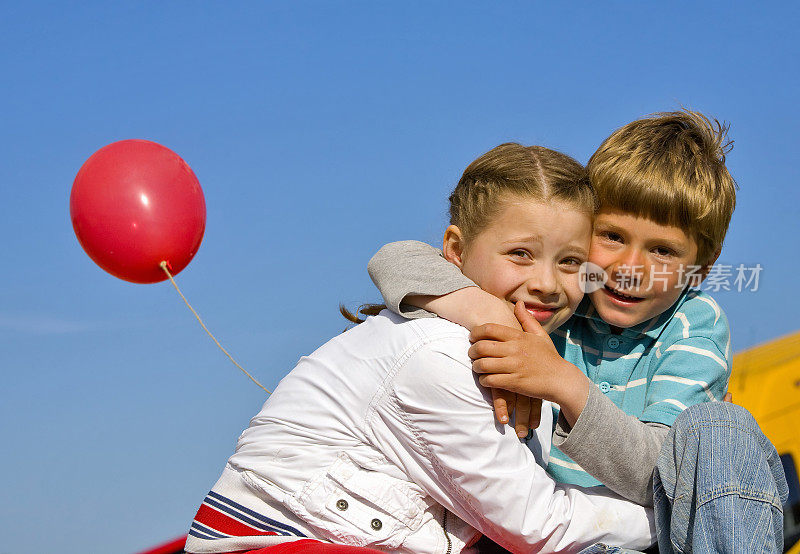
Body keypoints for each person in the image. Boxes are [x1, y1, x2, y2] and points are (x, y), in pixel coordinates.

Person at [184, 143, 657, 554]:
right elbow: (537, 526)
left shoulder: (528, 355)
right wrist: (665, 520)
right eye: (520, 254)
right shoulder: (441, 354)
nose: (547, 284)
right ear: (454, 249)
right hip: (277, 540)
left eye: (571, 262)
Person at [367, 111, 788, 551]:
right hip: (545, 533)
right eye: (611, 237)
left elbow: (662, 477)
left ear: (701, 268)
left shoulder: (693, 325)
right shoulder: (563, 294)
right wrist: (492, 317)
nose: (629, 269)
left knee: (723, 425)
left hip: (649, 537)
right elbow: (397, 260)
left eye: (662, 250)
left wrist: (564, 383)